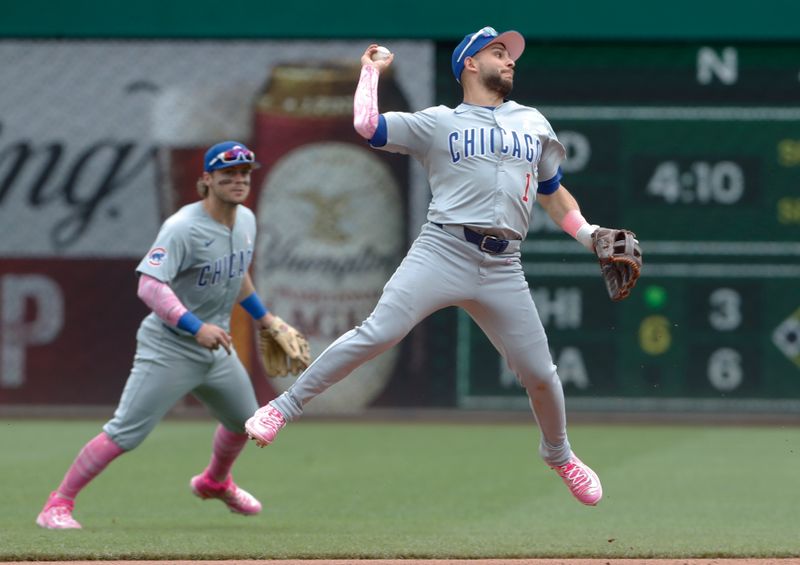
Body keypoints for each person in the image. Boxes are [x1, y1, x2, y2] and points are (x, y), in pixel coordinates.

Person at [247, 27, 621, 506]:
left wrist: (589, 234)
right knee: (378, 332)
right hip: (443, 250)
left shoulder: (533, 123)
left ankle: (559, 454)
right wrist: (370, 71)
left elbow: (551, 193)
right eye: (498, 53)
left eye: (510, 56)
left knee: (541, 374)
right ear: (468, 63)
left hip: (504, 264)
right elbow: (369, 126)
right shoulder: (439, 122)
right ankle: (282, 408)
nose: (509, 62)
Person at [36, 141, 307, 529]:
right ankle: (57, 505)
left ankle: (214, 482)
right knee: (125, 433)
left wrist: (267, 321)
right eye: (228, 174)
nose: (238, 180)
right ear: (207, 180)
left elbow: (237, 275)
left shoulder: (245, 219)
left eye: (245, 173)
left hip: (218, 346)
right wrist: (195, 327)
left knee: (244, 422)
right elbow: (149, 286)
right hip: (170, 346)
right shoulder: (183, 227)